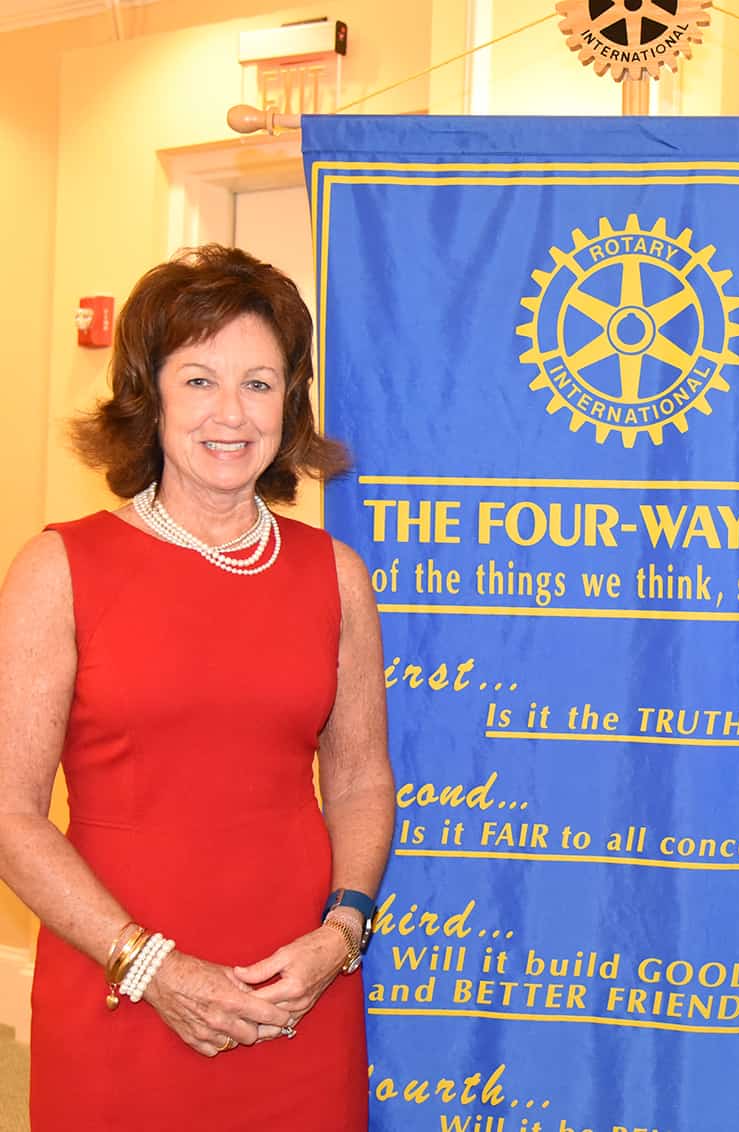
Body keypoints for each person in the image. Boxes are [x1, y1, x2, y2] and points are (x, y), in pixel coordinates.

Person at [0, 244, 395, 1129]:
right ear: (149, 397)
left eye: (260, 383)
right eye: (199, 380)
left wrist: (343, 933)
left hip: (298, 994)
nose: (232, 413)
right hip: (120, 987)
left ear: (289, 405)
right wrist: (151, 969)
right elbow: (9, 812)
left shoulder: (333, 575)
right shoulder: (60, 568)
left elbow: (363, 779)